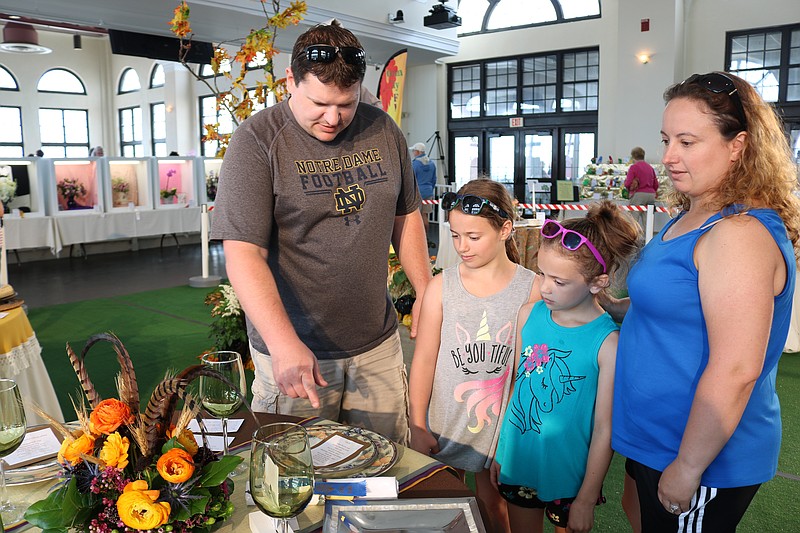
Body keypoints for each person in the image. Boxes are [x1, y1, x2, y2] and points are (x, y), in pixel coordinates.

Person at [210, 21, 431, 445]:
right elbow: (243, 255)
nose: (333, 118)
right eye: (318, 103)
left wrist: (424, 290)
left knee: (385, 475)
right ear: (289, 80)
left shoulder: (383, 130)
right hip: (297, 356)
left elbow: (407, 216)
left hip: (378, 346)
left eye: (346, 104)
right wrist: (283, 344)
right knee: (293, 481)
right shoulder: (256, 142)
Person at [611, 71, 800, 531]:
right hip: (655, 438)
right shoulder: (693, 213)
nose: (669, 157)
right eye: (665, 139)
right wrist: (604, 305)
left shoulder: (738, 235)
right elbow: (668, 311)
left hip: (700, 453)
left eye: (687, 142)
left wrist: (690, 466)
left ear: (737, 145)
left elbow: (737, 368)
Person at [491, 201, 641, 533]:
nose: (545, 287)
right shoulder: (527, 315)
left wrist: (586, 499)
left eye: (559, 282)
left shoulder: (608, 344)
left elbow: (605, 429)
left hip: (572, 477)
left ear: (598, 283)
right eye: (542, 273)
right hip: (520, 462)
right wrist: (502, 449)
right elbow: (516, 387)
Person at [409, 178, 539, 533]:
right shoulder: (440, 287)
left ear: (505, 229)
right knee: (441, 505)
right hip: (443, 426)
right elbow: (423, 360)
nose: (462, 246)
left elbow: (532, 373)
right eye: (455, 235)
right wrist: (417, 423)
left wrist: (514, 436)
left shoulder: (533, 289)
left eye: (474, 237)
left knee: (493, 504)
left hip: (501, 431)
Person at [410, 141, 437, 243]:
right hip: (428, 192)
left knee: (416, 216)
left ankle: (418, 239)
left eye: (414, 151)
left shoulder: (415, 164)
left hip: (417, 193)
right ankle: (425, 237)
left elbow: (412, 180)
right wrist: (430, 188)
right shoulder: (431, 163)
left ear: (417, 152)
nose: (413, 153)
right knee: (425, 216)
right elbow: (434, 179)